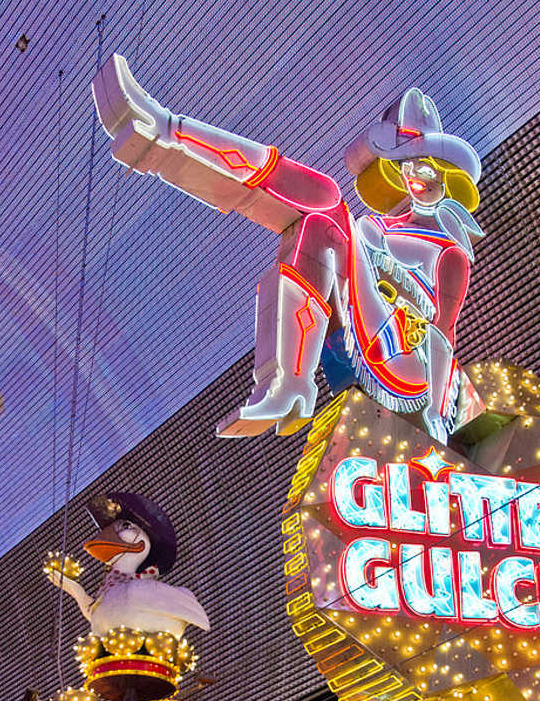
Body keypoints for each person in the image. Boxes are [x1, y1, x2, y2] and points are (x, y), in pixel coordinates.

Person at [92, 57, 484, 442]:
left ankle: (167, 130)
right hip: (368, 332)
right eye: (408, 166)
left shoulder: (450, 251)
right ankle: (288, 385)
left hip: (406, 364)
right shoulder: (380, 227)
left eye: (427, 169)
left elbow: (444, 331)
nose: (417, 177)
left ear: (448, 177)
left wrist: (434, 410)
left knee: (327, 198)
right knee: (315, 222)